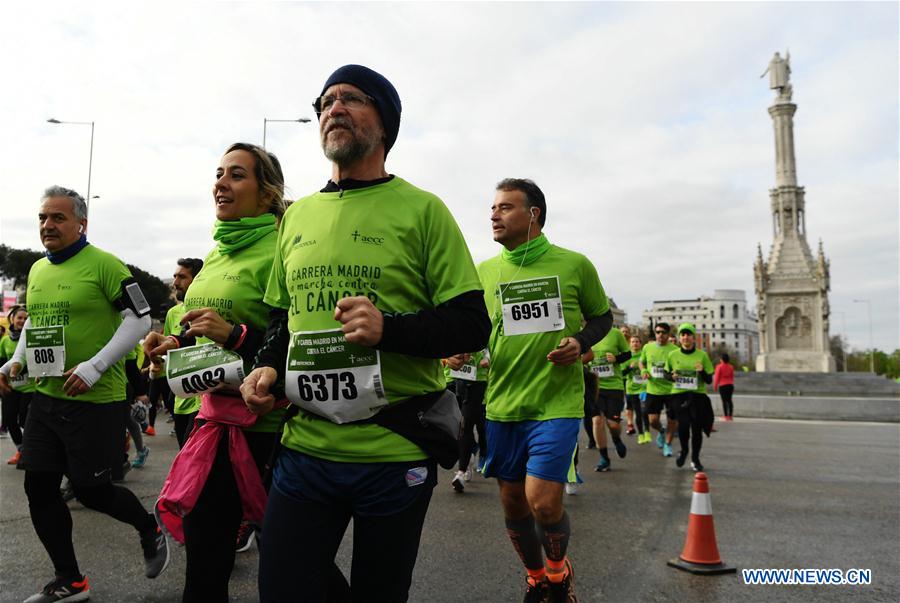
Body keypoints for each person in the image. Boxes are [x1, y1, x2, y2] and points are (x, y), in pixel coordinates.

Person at [242, 65, 490, 603]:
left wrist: (388, 329)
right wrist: (267, 366)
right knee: (282, 588)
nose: (333, 108)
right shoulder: (296, 216)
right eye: (325, 101)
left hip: (393, 449)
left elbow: (472, 321)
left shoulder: (424, 210)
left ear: (385, 121)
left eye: (350, 98)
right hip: (304, 448)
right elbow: (281, 320)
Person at [0, 186, 168, 603]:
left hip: (95, 402)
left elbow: (140, 319)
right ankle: (69, 579)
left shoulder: (105, 265)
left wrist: (95, 366)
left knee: (92, 491)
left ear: (81, 224)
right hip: (47, 396)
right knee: (38, 488)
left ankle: (149, 526)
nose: (48, 225)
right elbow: (35, 327)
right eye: (42, 217)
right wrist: (15, 361)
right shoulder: (38, 270)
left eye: (57, 218)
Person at [143, 143, 291, 602]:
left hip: (271, 430)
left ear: (267, 195)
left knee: (296, 564)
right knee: (206, 561)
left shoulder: (281, 250)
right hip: (214, 424)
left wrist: (236, 336)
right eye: (219, 173)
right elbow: (205, 331)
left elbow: (292, 337)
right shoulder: (218, 252)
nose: (221, 183)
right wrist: (175, 344)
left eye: (237, 175)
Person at [478, 178, 612, 602]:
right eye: (493, 207)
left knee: (544, 503)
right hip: (503, 403)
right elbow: (473, 330)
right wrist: (458, 351)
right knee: (514, 504)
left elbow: (602, 318)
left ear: (533, 214)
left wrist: (581, 342)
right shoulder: (484, 271)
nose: (494, 215)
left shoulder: (574, 265)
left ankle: (558, 572)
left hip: (556, 403)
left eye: (505, 207)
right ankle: (536, 575)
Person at [148, 258, 203, 446]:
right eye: (174, 277)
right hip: (179, 399)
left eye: (182, 277)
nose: (175, 283)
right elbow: (171, 351)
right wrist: (156, 364)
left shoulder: (207, 309)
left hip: (203, 401)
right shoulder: (173, 313)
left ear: (198, 280)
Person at [665, 323, 715, 471]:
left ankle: (695, 458)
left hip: (697, 396)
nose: (685, 337)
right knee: (684, 427)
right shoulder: (672, 355)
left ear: (694, 338)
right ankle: (684, 450)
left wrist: (702, 372)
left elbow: (709, 380)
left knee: (697, 429)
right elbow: (666, 374)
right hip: (679, 395)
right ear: (679, 338)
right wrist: (671, 376)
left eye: (688, 334)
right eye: (683, 335)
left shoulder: (702, 355)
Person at [585, 327, 631, 472]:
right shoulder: (585, 333)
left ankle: (616, 439)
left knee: (613, 425)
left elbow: (628, 354)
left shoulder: (615, 333)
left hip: (614, 386)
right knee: (597, 421)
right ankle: (604, 458)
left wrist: (616, 358)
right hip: (595, 386)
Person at [446, 349, 489, 491]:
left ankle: (461, 472)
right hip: (452, 377)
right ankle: (468, 455)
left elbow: (492, 340)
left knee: (467, 424)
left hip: (477, 378)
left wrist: (488, 357)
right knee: (456, 425)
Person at [1, 305, 34, 465]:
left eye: (25, 318)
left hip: (30, 388)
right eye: (19, 317)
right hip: (11, 388)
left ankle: (30, 450)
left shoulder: (32, 337)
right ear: (12, 319)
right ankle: (21, 450)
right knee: (9, 420)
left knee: (24, 420)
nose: (22, 320)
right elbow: (1, 362)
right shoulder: (5, 341)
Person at [639, 323, 679, 458]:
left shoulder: (674, 350)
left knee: (672, 420)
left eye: (663, 332)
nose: (660, 335)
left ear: (668, 334)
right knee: (652, 421)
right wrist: (643, 370)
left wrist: (675, 374)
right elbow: (641, 362)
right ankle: (661, 431)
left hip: (671, 390)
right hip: (653, 389)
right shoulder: (647, 347)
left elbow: (677, 367)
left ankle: (668, 444)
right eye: (657, 332)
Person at [621, 334, 649, 443]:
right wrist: (630, 367)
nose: (635, 343)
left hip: (644, 388)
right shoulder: (627, 356)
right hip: (632, 388)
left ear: (640, 344)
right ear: (630, 344)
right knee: (637, 411)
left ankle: (647, 431)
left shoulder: (644, 355)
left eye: (637, 341)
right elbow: (622, 373)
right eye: (633, 342)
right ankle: (641, 434)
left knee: (644, 411)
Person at [713, 353, 735, 421]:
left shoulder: (719, 367)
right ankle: (730, 416)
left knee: (724, 401)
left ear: (722, 360)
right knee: (729, 400)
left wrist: (715, 386)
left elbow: (717, 377)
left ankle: (726, 416)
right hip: (730, 385)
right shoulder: (731, 367)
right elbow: (732, 377)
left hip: (723, 386)